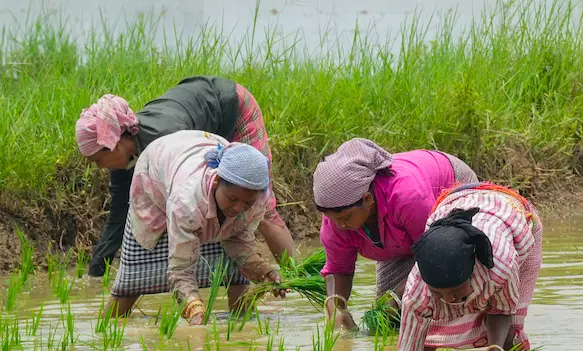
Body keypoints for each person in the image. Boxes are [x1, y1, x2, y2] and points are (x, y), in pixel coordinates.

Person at [76, 76, 298, 277]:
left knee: (260, 204)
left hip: (232, 108)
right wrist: (96, 273)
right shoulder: (125, 159)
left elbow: (196, 198)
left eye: (97, 160)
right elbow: (118, 216)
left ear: (114, 143)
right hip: (201, 121)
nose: (99, 167)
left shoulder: (166, 140)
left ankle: (298, 281)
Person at [104, 130, 282, 323]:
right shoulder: (186, 203)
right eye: (232, 199)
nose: (239, 208)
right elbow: (180, 270)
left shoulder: (256, 199)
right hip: (156, 175)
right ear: (216, 182)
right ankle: (104, 329)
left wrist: (265, 272)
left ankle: (243, 328)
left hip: (193, 153)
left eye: (246, 203)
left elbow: (239, 243)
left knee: (236, 275)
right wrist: (194, 308)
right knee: (132, 282)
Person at [388, 183, 543, 351]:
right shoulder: (417, 293)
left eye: (456, 291)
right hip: (453, 204)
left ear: (472, 274)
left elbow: (502, 311)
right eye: (438, 293)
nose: (450, 301)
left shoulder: (500, 267)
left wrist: (495, 350)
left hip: (511, 213)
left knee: (512, 333)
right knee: (423, 340)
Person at [311, 138, 478, 330]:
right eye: (333, 219)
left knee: (448, 297)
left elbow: (435, 255)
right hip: (398, 238)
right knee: (387, 322)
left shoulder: (408, 197)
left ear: (367, 199)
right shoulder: (336, 219)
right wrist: (336, 307)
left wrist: (397, 297)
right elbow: (338, 268)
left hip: (450, 194)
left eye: (346, 217)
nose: (340, 226)